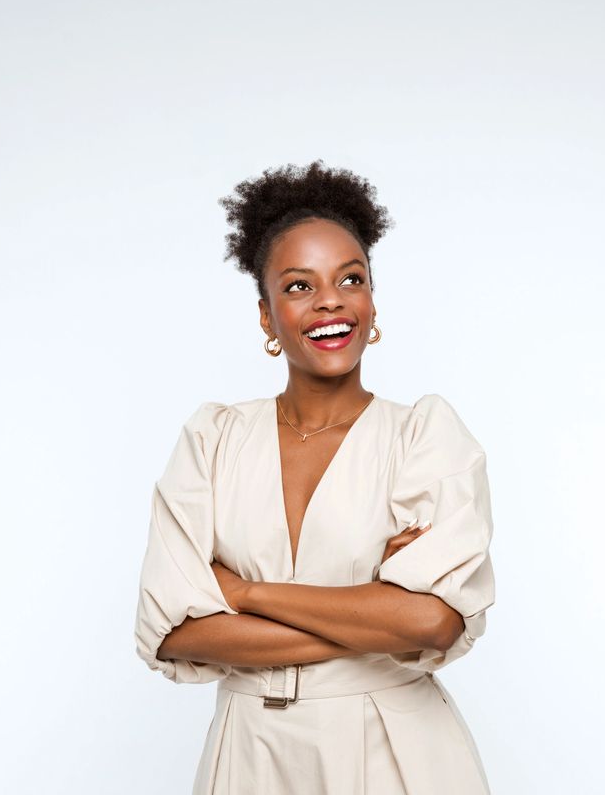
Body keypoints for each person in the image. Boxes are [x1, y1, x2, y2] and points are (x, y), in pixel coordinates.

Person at [133, 159, 496, 794]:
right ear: (268, 318)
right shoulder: (212, 440)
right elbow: (174, 630)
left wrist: (244, 594)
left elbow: (436, 622)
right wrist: (376, 611)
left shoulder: (423, 437)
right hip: (248, 757)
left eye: (350, 278)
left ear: (371, 301)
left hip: (396, 752)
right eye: (299, 286)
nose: (330, 299)